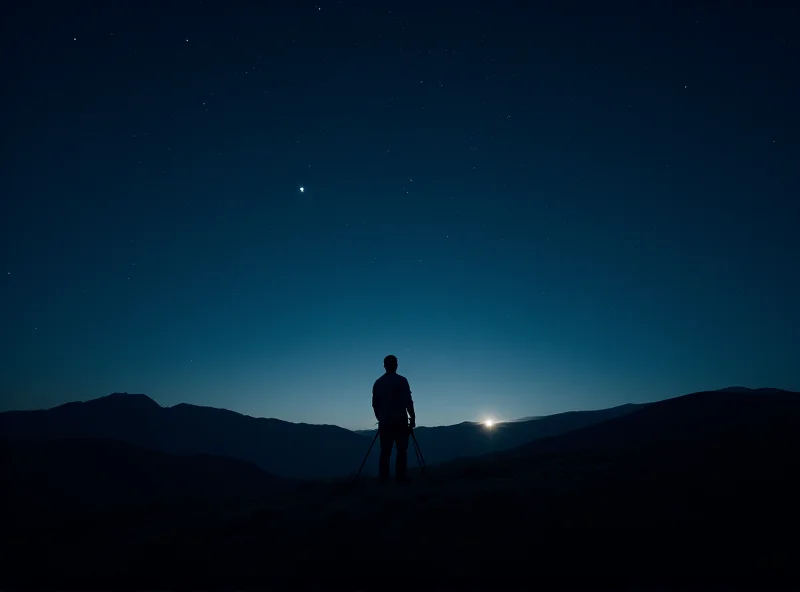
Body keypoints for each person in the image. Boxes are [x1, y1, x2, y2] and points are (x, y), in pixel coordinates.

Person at [372, 354, 416, 484]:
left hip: (385, 422)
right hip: (400, 421)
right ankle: (400, 477)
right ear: (396, 365)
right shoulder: (402, 381)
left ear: (384, 366)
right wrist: (412, 418)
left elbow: (375, 404)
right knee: (402, 450)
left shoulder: (378, 383)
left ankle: (383, 478)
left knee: (385, 451)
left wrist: (380, 418)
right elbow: (408, 401)